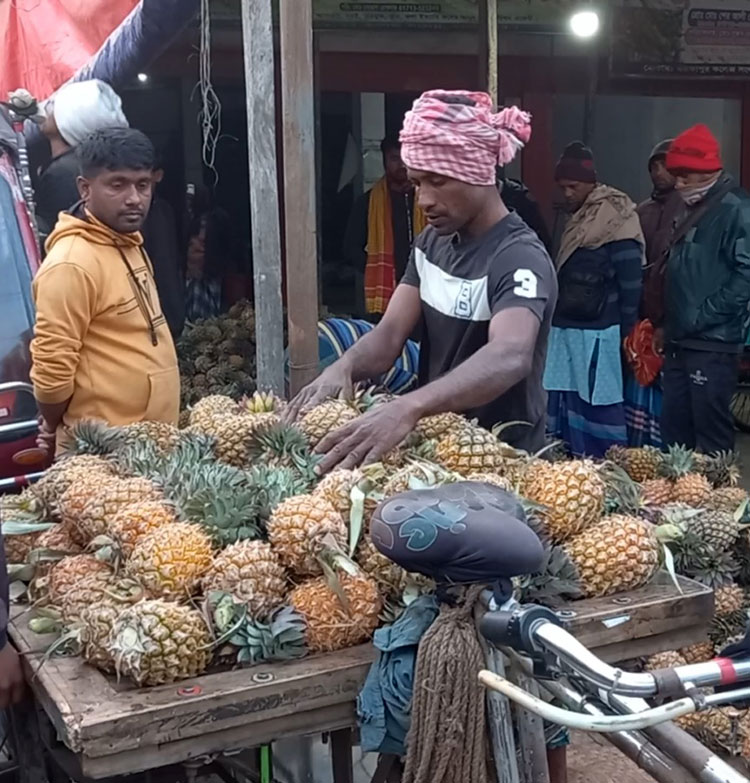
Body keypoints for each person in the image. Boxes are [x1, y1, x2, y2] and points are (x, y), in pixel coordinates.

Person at [286, 90, 557, 473]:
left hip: (502, 460)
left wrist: (409, 405)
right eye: (416, 184)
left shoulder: (518, 257)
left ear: (477, 173)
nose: (423, 200)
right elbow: (390, 334)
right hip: (438, 450)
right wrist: (343, 367)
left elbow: (510, 354)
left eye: (437, 181)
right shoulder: (432, 243)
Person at [30, 128, 180, 455]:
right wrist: (54, 423)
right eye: (117, 184)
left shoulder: (129, 244)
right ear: (85, 188)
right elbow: (52, 374)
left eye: (143, 185)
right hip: (105, 457)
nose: (134, 198)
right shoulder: (71, 263)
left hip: (151, 449)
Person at [544, 142, 644, 458]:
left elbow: (631, 280)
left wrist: (628, 331)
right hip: (568, 328)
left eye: (573, 186)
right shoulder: (578, 220)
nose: (568, 193)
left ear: (591, 183)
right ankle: (572, 458)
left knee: (600, 399)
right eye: (563, 187)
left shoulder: (616, 216)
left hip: (601, 331)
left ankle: (606, 461)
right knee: (568, 394)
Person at [661, 124, 750, 453]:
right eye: (676, 175)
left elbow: (746, 275)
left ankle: (719, 503)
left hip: (713, 343)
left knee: (711, 437)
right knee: (674, 436)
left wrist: (702, 315)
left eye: (685, 175)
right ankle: (674, 503)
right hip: (680, 339)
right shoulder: (688, 206)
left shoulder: (736, 209)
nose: (678, 182)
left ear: (707, 170)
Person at [624, 140, 686, 447]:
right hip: (642, 312)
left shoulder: (689, 208)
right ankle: (641, 450)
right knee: (640, 380)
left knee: (671, 390)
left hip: (675, 316)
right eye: (654, 166)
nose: (659, 172)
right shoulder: (640, 211)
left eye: (665, 165)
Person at [34, 80, 128, 243]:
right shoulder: (89, 164)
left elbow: (54, 233)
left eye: (54, 106)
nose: (47, 110)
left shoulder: (63, 172)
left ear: (72, 118)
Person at [342, 136, 426, 317]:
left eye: (406, 157)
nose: (402, 165)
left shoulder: (428, 199)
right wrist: (378, 269)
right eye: (395, 159)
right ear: (384, 160)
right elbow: (350, 248)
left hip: (426, 287)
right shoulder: (368, 202)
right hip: (388, 290)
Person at [141, 158, 186, 337]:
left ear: (158, 176)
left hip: (169, 302)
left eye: (142, 182)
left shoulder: (164, 210)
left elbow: (169, 261)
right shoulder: (129, 218)